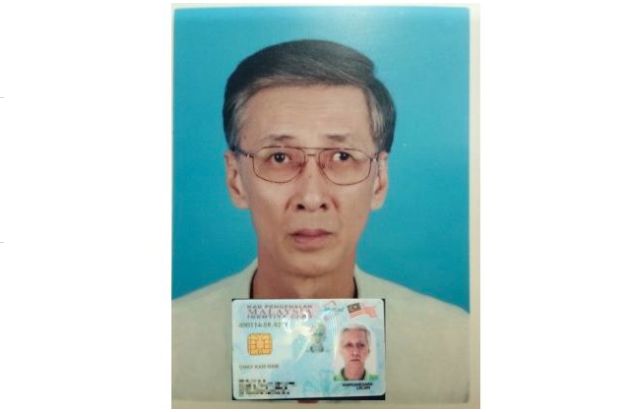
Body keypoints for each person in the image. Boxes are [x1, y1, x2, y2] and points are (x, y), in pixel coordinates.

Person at [173, 39, 469, 406]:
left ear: (379, 180)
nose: (311, 197)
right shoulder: (170, 346)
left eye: (342, 156)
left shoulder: (456, 348)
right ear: (236, 179)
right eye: (279, 157)